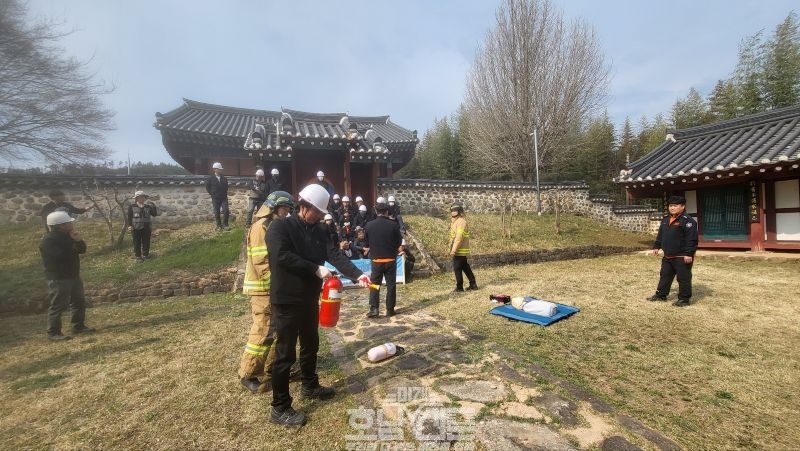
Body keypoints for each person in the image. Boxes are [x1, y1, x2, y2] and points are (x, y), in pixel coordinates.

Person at [266, 183, 371, 426]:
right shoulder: (280, 227)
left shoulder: (319, 230)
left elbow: (333, 254)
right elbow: (281, 256)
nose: (321, 217)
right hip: (287, 299)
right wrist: (315, 268)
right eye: (318, 212)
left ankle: (310, 385)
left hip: (309, 298)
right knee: (285, 353)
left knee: (311, 344)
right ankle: (279, 407)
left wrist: (357, 274)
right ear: (304, 206)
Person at [238, 191, 295, 394]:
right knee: (263, 330)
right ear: (276, 207)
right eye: (286, 209)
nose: (287, 214)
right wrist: (276, 284)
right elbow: (261, 261)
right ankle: (249, 374)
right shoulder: (261, 227)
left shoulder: (271, 225)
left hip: (272, 288)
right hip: (263, 289)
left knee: (277, 329)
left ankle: (273, 368)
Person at [39, 211, 95, 341]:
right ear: (61, 225)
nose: (72, 223)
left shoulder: (68, 235)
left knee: (79, 301)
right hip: (59, 278)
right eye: (69, 222)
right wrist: (73, 244)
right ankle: (53, 333)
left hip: (73, 275)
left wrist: (78, 240)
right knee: (58, 305)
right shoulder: (48, 240)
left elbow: (82, 250)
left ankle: (78, 326)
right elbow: (61, 257)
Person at [647, 195, 698, 307]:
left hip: (682, 255)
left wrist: (689, 253)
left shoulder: (688, 221)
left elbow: (692, 239)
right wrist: (656, 246)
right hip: (668, 255)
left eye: (675, 205)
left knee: (683, 278)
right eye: (670, 205)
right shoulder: (665, 220)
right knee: (665, 275)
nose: (672, 208)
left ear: (682, 207)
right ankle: (661, 295)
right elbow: (661, 235)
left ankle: (684, 299)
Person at [365, 201, 403, 317]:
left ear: (376, 212)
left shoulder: (369, 225)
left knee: (375, 285)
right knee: (391, 285)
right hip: (390, 260)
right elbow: (399, 241)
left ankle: (374, 309)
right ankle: (390, 310)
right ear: (387, 212)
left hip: (376, 261)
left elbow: (366, 242)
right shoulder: (393, 225)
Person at [449, 202, 477, 292]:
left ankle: (459, 287)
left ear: (459, 211)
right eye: (452, 211)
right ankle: (473, 284)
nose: (453, 212)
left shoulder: (461, 222)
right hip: (459, 250)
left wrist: (453, 250)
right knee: (465, 267)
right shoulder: (456, 222)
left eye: (455, 211)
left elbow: (459, 238)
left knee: (457, 269)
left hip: (459, 250)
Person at [127, 191, 158, 261]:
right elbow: (129, 217)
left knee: (146, 242)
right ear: (137, 198)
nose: (143, 198)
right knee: (136, 242)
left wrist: (154, 206)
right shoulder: (131, 207)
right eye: (141, 197)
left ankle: (145, 255)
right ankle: (138, 256)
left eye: (144, 197)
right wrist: (129, 225)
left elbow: (154, 214)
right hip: (135, 227)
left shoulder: (148, 207)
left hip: (146, 227)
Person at [205, 162, 230, 231]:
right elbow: (207, 187)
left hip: (224, 197)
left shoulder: (224, 178)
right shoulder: (210, 178)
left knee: (226, 210)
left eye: (220, 169)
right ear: (215, 169)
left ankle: (225, 224)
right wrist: (212, 194)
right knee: (217, 212)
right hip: (215, 198)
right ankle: (219, 225)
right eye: (219, 169)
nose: (220, 170)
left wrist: (224, 193)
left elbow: (226, 187)